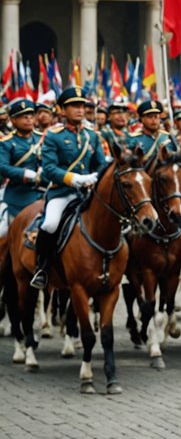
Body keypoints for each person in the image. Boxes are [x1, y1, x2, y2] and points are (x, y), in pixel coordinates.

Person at [30, 87, 107, 289]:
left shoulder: (93, 135)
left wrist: (95, 177)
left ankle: (114, 266)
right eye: (74, 106)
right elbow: (48, 168)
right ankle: (42, 268)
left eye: (82, 106)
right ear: (62, 110)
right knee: (50, 224)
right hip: (61, 192)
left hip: (87, 193)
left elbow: (101, 163)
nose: (80, 110)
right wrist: (74, 179)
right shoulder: (53, 135)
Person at [0, 99, 46, 240]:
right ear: (13, 121)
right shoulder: (6, 142)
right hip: (18, 197)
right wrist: (25, 173)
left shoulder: (43, 138)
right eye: (23, 116)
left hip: (43, 194)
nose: (28, 119)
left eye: (31, 115)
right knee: (4, 236)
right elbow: (2, 167)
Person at [129, 100, 172, 166]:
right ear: (142, 119)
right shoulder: (134, 139)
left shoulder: (166, 137)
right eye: (150, 116)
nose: (154, 120)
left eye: (156, 116)